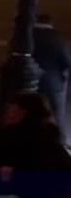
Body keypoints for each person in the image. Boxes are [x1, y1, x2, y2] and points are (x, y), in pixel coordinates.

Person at [33, 15, 70, 145]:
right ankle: (61, 141)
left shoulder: (28, 36)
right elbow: (66, 61)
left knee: (33, 112)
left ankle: (34, 139)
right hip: (54, 82)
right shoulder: (58, 38)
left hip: (32, 81)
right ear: (51, 23)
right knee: (58, 112)